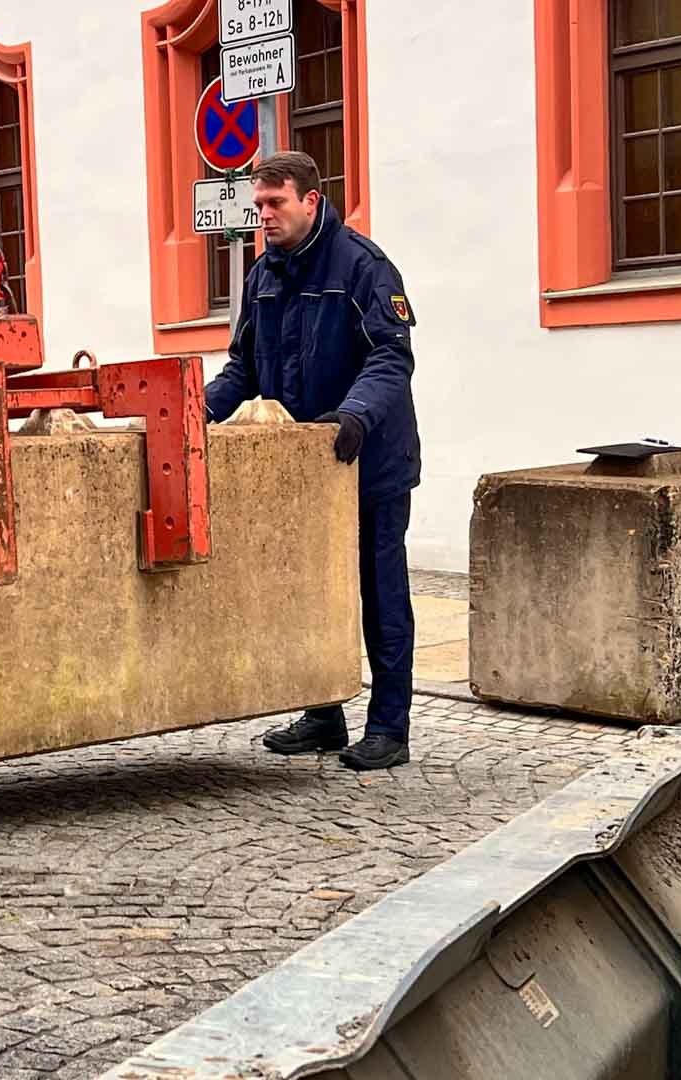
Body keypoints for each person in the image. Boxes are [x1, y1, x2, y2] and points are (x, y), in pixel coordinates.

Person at [205, 150, 420, 772]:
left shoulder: (363, 267)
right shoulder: (262, 275)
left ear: (310, 201)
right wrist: (198, 413)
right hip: (300, 475)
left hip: (368, 459)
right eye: (258, 205)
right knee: (307, 596)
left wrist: (352, 416)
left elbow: (392, 356)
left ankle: (390, 728)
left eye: (275, 204)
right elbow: (245, 368)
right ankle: (323, 714)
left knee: (380, 594)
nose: (263, 216)